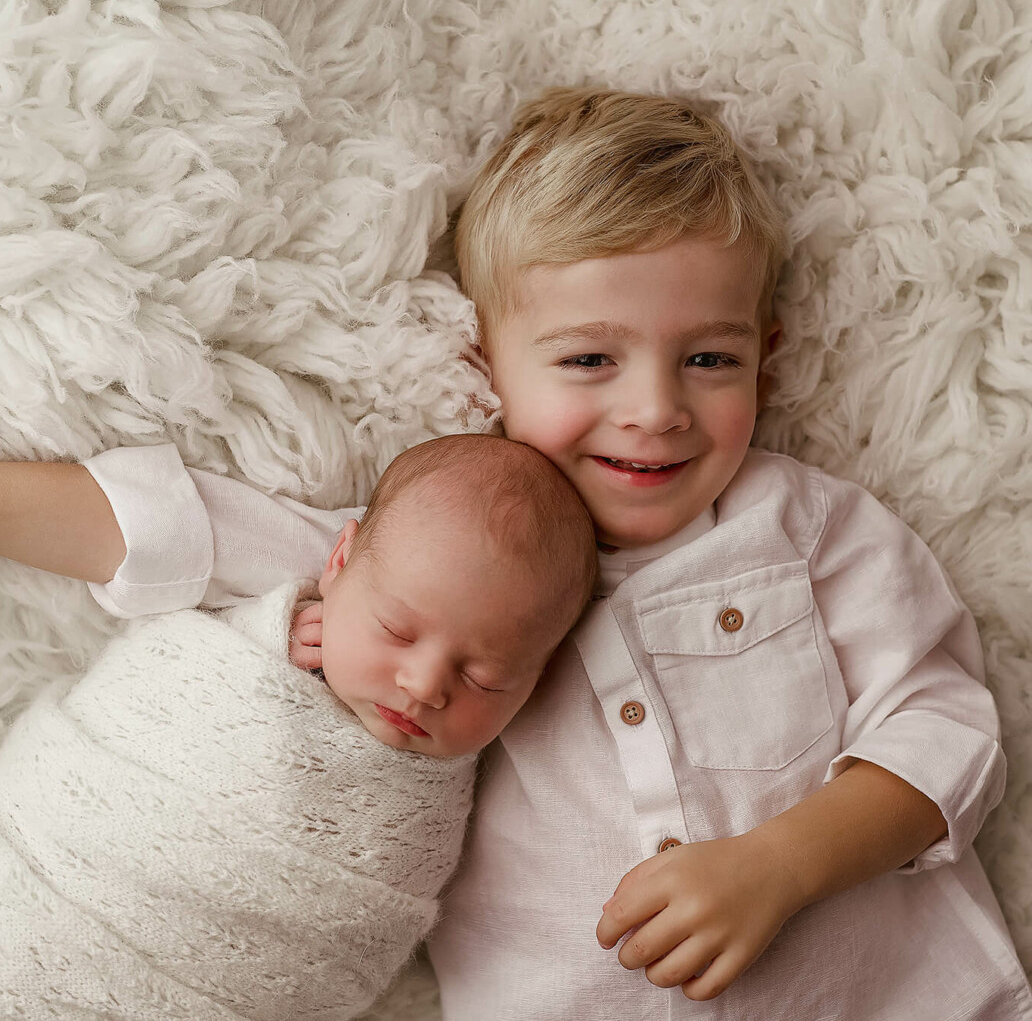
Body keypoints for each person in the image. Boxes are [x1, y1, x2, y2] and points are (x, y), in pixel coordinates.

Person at [2, 86, 1030, 1019]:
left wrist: (782, 864)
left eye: (709, 360)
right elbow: (176, 530)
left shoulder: (805, 530)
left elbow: (945, 728)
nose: (655, 410)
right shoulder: (427, 545)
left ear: (768, 358)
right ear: (482, 361)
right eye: (590, 359)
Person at [0, 434, 598, 1021]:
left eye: (485, 679)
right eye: (395, 630)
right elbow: (151, 528)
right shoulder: (295, 561)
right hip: (54, 872)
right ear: (339, 561)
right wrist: (260, 633)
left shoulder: (512, 765)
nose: (424, 686)